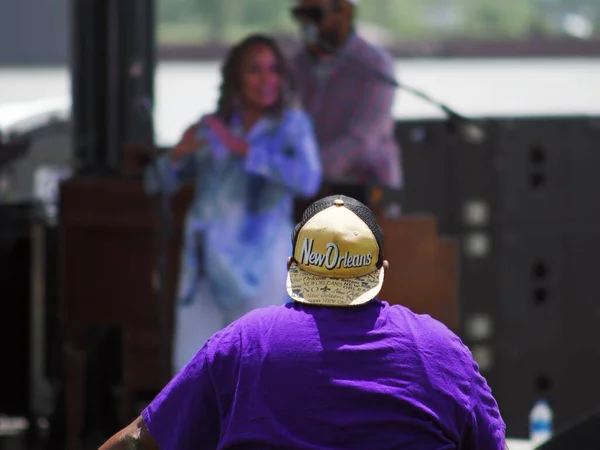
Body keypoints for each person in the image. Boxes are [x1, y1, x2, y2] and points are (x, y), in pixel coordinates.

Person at [100, 194, 506, 450]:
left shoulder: (244, 342)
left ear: (294, 267)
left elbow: (139, 441)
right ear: (380, 270)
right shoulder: (439, 349)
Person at [144, 34, 322, 374]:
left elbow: (308, 180)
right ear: (235, 78)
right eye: (255, 70)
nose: (266, 80)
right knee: (195, 364)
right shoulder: (211, 127)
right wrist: (178, 155)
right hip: (206, 263)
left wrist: (242, 149)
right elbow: (156, 184)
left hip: (264, 260)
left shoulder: (292, 126)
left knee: (263, 362)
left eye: (273, 70)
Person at [290, 0, 403, 198]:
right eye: (300, 14)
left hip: (367, 191)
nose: (306, 24)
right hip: (311, 188)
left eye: (315, 14)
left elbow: (361, 140)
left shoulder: (375, 65)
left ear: (344, 11)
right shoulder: (295, 65)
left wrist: (304, 169)